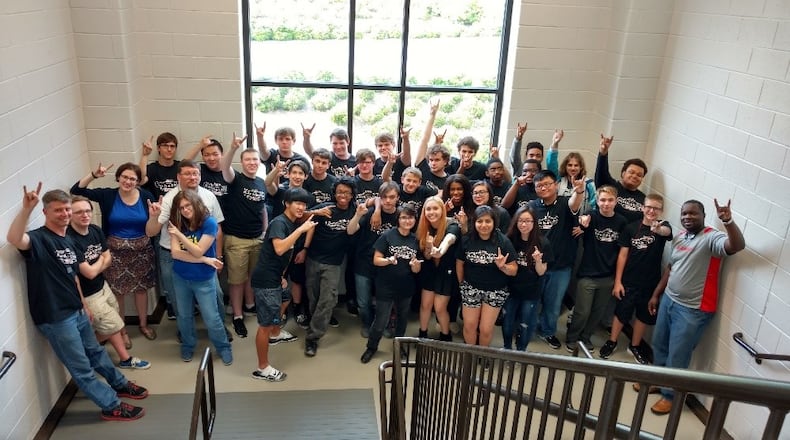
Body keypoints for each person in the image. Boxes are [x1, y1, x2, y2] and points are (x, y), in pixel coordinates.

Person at [7, 185, 148, 421]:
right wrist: (25, 210)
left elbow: (73, 275)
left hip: (77, 310)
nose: (64, 214)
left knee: (96, 352)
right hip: (55, 316)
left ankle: (120, 384)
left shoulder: (69, 240)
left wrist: (83, 304)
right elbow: (14, 239)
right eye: (57, 210)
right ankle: (111, 405)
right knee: (81, 366)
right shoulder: (40, 239)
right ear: (45, 213)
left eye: (66, 210)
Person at [644, 199, 745, 415]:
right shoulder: (680, 236)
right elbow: (671, 268)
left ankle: (671, 395)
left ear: (703, 215)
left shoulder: (711, 238)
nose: (688, 217)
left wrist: (728, 221)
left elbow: (736, 246)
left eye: (693, 214)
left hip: (693, 309)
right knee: (659, 345)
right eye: (684, 214)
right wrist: (656, 294)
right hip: (669, 300)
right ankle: (659, 381)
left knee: (678, 355)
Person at [71, 162, 158, 343]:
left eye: (133, 179)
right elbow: (76, 190)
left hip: (141, 251)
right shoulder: (107, 195)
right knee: (118, 292)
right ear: (118, 177)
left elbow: (153, 224)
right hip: (114, 252)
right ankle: (122, 330)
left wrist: (154, 216)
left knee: (141, 291)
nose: (128, 181)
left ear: (138, 182)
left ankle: (143, 324)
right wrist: (94, 175)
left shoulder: (146, 196)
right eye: (125, 177)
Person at [67, 196, 151, 370]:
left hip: (102, 286)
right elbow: (89, 273)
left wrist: (97, 265)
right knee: (113, 326)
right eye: (79, 212)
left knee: (113, 322)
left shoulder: (95, 230)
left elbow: (108, 258)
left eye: (88, 211)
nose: (85, 215)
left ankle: (90, 349)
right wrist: (100, 264)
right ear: (70, 215)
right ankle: (121, 358)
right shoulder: (70, 240)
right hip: (88, 293)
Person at [145, 159, 227, 325]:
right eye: (187, 173)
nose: (192, 177)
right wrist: (154, 217)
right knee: (177, 297)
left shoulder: (208, 196)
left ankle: (221, 327)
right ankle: (185, 331)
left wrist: (219, 255)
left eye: (195, 173)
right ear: (178, 177)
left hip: (204, 254)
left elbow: (218, 229)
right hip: (173, 255)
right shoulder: (169, 199)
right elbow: (150, 232)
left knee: (216, 294)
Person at [250, 188, 317, 381]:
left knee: (286, 297)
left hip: (275, 276)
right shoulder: (280, 223)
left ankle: (276, 333)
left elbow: (281, 257)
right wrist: (301, 230)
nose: (301, 207)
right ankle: (262, 368)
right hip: (265, 280)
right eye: (297, 202)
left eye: (304, 204)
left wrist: (280, 274)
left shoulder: (291, 221)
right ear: (286, 203)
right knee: (264, 324)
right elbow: (280, 249)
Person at [599, 194, 672, 363]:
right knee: (622, 312)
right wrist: (618, 282)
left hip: (651, 283)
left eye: (656, 208)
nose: (652, 211)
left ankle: (635, 345)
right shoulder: (631, 228)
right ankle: (612, 341)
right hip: (629, 280)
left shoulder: (664, 226)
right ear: (642, 207)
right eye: (649, 207)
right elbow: (622, 256)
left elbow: (666, 232)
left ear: (661, 211)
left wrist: (658, 230)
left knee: (643, 315)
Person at [167, 190, 232, 365]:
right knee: (184, 315)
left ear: (195, 203)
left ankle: (223, 347)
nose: (185, 210)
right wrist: (205, 260)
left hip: (203, 279)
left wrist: (180, 235)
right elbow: (175, 254)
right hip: (180, 277)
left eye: (188, 205)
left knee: (212, 317)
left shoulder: (209, 223)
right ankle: (188, 345)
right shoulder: (176, 222)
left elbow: (197, 250)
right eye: (181, 207)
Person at [564, 186, 628, 353]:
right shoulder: (592, 216)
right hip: (588, 274)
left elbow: (623, 250)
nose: (606, 204)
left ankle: (585, 338)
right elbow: (582, 223)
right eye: (602, 200)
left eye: (610, 200)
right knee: (582, 311)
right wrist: (582, 224)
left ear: (616, 201)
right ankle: (572, 337)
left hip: (608, 276)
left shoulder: (621, 222)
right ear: (597, 201)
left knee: (597, 312)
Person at [527, 170, 584, 349]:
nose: (544, 188)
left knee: (553, 304)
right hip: (535, 265)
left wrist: (579, 191)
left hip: (560, 266)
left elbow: (574, 204)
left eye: (547, 184)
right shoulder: (532, 206)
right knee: (533, 301)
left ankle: (548, 332)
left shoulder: (564, 204)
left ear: (556, 185)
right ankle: (528, 328)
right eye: (539, 185)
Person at [303, 177, 358, 357]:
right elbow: (300, 215)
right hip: (313, 258)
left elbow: (373, 203)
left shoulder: (355, 210)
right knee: (314, 297)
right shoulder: (326, 207)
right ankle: (314, 324)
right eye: (340, 191)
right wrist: (317, 213)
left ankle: (313, 337)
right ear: (334, 193)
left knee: (327, 299)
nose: (343, 195)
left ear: (352, 195)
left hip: (334, 263)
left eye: (347, 193)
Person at [360, 205, 422, 363]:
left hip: (406, 286)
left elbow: (417, 268)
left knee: (402, 319)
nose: (407, 221)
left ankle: (398, 347)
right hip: (385, 285)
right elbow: (376, 260)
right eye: (403, 217)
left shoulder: (415, 239)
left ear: (415, 220)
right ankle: (371, 347)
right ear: (398, 220)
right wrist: (388, 260)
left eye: (410, 218)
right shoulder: (387, 236)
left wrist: (415, 266)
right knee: (381, 320)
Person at [220, 132, 266, 339]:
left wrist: (264, 231)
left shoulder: (260, 183)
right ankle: (237, 316)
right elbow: (224, 166)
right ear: (241, 162)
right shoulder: (235, 179)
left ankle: (249, 306)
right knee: (237, 281)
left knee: (251, 277)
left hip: (257, 238)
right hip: (236, 240)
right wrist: (232, 148)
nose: (252, 163)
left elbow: (262, 209)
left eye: (255, 159)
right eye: (247, 159)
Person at [456, 206, 517, 348]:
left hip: (495, 290)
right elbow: (459, 263)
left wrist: (503, 266)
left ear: (494, 222)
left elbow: (514, 270)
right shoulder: (467, 239)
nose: (484, 225)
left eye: (488, 221)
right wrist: (462, 285)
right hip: (471, 287)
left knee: (485, 329)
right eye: (480, 221)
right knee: (469, 325)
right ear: (474, 222)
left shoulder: (504, 241)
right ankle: (470, 356)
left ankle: (483, 356)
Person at [347, 182, 400, 337]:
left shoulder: (401, 215)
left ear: (397, 198)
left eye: (392, 197)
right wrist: (358, 215)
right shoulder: (370, 213)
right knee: (363, 301)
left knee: (384, 301)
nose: (388, 201)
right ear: (380, 197)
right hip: (364, 262)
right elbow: (350, 231)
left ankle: (382, 325)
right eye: (384, 197)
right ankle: (367, 324)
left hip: (387, 265)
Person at [502, 207, 551, 351]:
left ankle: (521, 351)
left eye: (528, 221)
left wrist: (538, 261)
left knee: (525, 324)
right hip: (510, 289)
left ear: (534, 223)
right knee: (508, 322)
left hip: (531, 292)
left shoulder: (543, 243)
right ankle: (507, 348)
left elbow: (541, 272)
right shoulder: (509, 239)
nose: (524, 224)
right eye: (521, 220)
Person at [416, 196, 461, 341]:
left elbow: (450, 239)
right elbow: (428, 257)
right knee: (425, 305)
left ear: (442, 210)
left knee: (440, 308)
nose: (431, 212)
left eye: (435, 208)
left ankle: (445, 336)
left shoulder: (452, 224)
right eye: (428, 209)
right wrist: (430, 248)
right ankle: (422, 335)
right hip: (429, 271)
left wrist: (440, 251)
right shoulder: (423, 228)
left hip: (446, 273)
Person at [594, 134, 647, 222]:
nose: (634, 176)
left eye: (639, 175)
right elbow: (601, 172)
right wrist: (603, 153)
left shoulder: (644, 198)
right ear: (623, 173)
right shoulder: (610, 187)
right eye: (631, 172)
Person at [545, 130, 596, 214]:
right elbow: (551, 163)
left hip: (580, 223)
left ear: (581, 167)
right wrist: (555, 144)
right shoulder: (559, 180)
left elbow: (595, 205)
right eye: (570, 165)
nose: (573, 168)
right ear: (565, 166)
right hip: (559, 220)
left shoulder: (589, 183)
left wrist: (588, 220)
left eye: (576, 165)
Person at [139, 132, 180, 199]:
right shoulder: (152, 168)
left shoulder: (180, 167)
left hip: (177, 207)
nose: (169, 149)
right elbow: (140, 181)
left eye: (172, 146)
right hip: (157, 207)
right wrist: (145, 155)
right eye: (165, 146)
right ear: (158, 148)